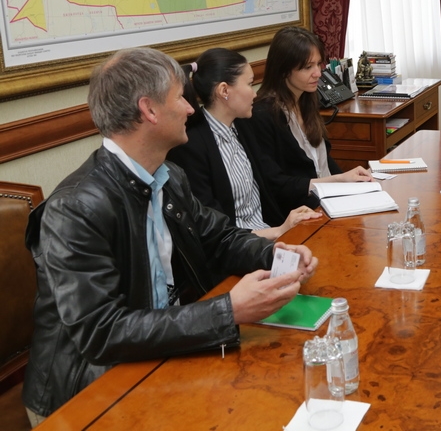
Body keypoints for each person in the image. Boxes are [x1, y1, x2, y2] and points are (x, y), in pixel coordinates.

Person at [22, 48, 318, 423]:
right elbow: (101, 332)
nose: (191, 109)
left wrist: (275, 255)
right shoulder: (75, 208)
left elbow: (220, 238)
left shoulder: (169, 177)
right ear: (149, 110)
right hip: (88, 391)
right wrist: (227, 310)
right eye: (180, 97)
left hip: (161, 351)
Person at [167, 48, 323, 240]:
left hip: (268, 234)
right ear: (224, 90)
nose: (255, 94)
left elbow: (273, 183)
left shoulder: (244, 126)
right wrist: (280, 230)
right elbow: (213, 231)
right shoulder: (192, 146)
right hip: (239, 246)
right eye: (249, 84)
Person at [242, 27, 372, 219]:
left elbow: (322, 161)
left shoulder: (306, 100)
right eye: (307, 67)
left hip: (328, 202)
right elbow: (275, 184)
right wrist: (339, 180)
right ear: (284, 70)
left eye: (319, 64)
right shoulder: (262, 115)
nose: (318, 73)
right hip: (298, 213)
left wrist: (352, 182)